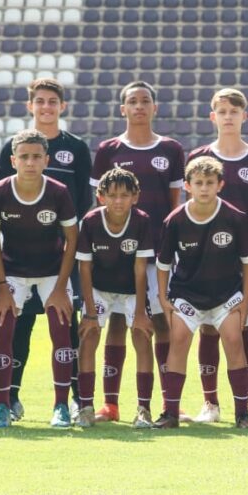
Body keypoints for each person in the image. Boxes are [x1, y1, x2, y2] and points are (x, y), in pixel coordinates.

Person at [0, 77, 92, 420]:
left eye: (53, 101)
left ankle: (76, 400)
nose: (46, 107)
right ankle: (11, 397)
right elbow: (1, 201)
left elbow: (83, 204)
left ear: (62, 106)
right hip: (19, 261)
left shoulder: (77, 148)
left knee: (67, 326)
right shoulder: (13, 146)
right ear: (30, 106)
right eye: (40, 101)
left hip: (60, 259)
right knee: (18, 328)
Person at [90, 81, 185, 422]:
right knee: (116, 324)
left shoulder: (171, 149)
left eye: (145, 101)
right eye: (133, 101)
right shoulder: (108, 149)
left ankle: (166, 402)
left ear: (155, 108)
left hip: (158, 255)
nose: (140, 106)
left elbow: (176, 205)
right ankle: (110, 404)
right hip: (117, 255)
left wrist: (169, 248)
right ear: (123, 109)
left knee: (160, 324)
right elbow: (98, 202)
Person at [0, 130, 79, 428]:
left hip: (52, 272)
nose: (30, 162)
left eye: (36, 156)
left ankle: (61, 406)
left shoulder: (58, 192)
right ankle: (2, 406)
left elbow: (71, 241)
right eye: (24, 156)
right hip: (12, 273)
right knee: (3, 332)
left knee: (62, 334)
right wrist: (1, 288)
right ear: (13, 160)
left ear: (46, 160)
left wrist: (62, 287)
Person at [155, 156, 248, 429]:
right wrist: (163, 298)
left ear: (220, 185)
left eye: (209, 183)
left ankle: (242, 414)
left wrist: (245, 299)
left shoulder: (235, 218)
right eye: (198, 183)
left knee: (234, 341)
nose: (204, 188)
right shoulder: (175, 220)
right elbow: (163, 264)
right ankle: (170, 413)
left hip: (226, 294)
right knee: (178, 340)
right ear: (187, 186)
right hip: (187, 294)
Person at [187, 88, 248, 423]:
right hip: (205, 263)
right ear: (213, 117)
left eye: (235, 111)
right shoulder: (200, 157)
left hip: (243, 264)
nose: (228, 116)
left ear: (244, 116)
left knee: (246, 329)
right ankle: (210, 402)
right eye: (222, 111)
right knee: (208, 329)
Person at [74, 168, 156, 428]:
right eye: (112, 195)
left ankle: (144, 409)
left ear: (135, 197)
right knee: (88, 337)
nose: (118, 201)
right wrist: (89, 312)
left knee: (142, 337)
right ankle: (86, 407)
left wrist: (141, 311)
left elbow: (140, 268)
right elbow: (84, 268)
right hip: (99, 289)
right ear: (101, 197)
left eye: (124, 195)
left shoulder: (142, 221)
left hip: (132, 290)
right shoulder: (90, 222)